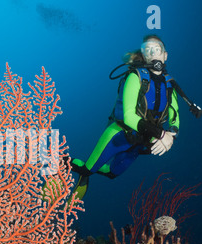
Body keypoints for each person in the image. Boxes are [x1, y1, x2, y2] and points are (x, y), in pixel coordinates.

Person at [69, 34, 180, 202]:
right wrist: (162, 135)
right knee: (88, 170)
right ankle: (66, 163)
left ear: (165, 55)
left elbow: (174, 116)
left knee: (112, 173)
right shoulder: (135, 77)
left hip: (138, 143)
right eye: (147, 50)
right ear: (144, 56)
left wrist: (172, 135)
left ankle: (89, 169)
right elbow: (128, 116)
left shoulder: (169, 85)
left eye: (156, 49)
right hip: (118, 135)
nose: (152, 53)